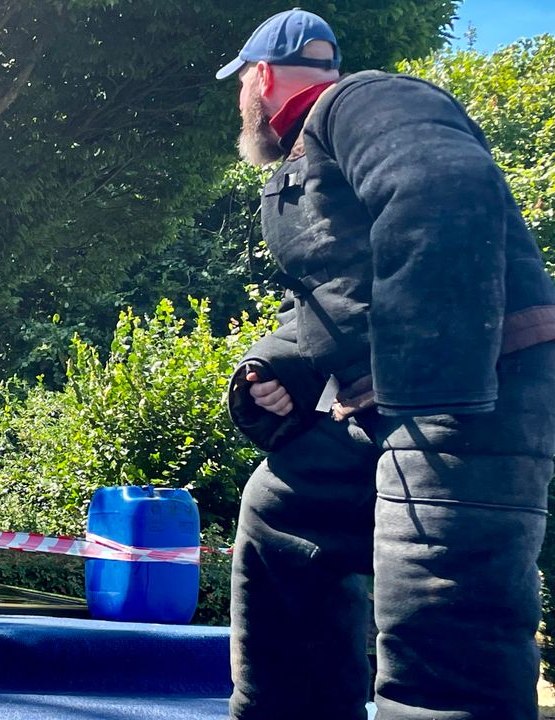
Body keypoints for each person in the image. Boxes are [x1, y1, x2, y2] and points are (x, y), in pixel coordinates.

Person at [217, 9, 555, 720]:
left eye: (242, 83)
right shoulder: (303, 167)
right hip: (390, 405)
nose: (241, 99)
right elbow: (326, 309)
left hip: (473, 396)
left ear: (263, 76)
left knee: (439, 619)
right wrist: (269, 369)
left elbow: (441, 190)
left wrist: (427, 399)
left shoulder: (366, 100)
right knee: (280, 513)